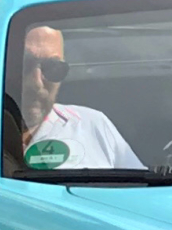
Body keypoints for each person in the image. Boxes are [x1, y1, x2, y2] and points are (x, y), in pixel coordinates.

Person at [14, 24, 143, 171]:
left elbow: (142, 190)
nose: (36, 83)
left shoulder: (92, 125)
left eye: (53, 68)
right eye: (24, 65)